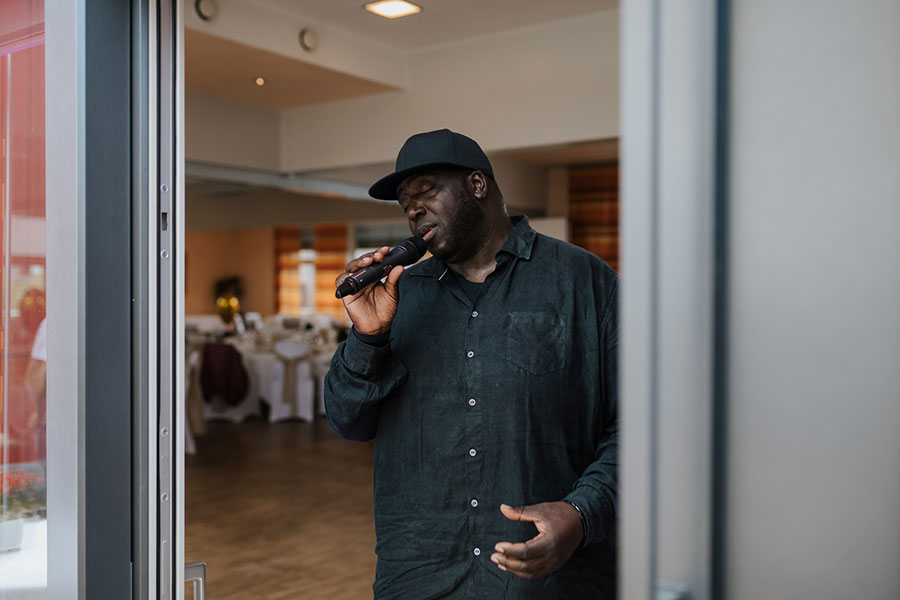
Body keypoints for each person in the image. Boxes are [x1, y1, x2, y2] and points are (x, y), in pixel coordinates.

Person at [325, 129, 618, 599]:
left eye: (425, 191)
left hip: (549, 580)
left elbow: (641, 428)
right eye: (405, 202)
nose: (413, 209)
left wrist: (583, 514)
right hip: (421, 574)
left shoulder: (583, 281)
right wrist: (367, 336)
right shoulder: (400, 297)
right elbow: (348, 421)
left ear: (477, 185)